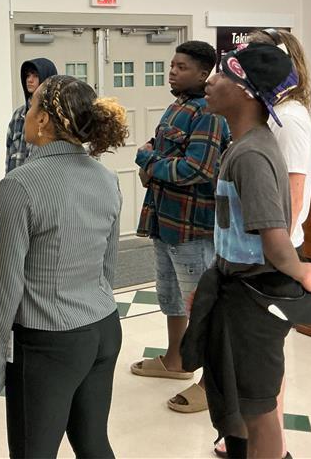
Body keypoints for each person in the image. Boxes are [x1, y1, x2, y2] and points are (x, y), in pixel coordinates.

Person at [183, 42, 311, 459]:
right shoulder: (247, 143)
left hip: (252, 299)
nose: (210, 81)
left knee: (258, 409)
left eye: (222, 75)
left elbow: (272, 232)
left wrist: (298, 269)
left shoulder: (252, 153)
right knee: (234, 399)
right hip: (234, 286)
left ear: (247, 91)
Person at [0, 75, 129, 458]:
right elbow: (107, 266)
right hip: (103, 329)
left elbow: (4, 283)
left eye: (31, 107)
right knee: (93, 442)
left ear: (43, 120)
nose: (26, 114)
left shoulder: (21, 184)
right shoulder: (106, 178)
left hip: (48, 342)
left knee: (33, 452)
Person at [130, 41, 229, 414]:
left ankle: (211, 383)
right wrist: (154, 159)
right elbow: (162, 148)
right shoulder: (178, 106)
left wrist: (147, 160)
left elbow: (197, 169)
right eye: (172, 64)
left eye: (182, 67)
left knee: (203, 307)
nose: (172, 71)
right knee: (170, 297)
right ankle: (176, 361)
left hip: (193, 227)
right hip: (164, 220)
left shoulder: (209, 112)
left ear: (204, 74)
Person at [5, 58, 57, 172]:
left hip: (43, 182)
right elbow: (9, 154)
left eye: (35, 76)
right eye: (27, 76)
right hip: (17, 182)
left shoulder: (56, 116)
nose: (29, 80)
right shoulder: (18, 115)